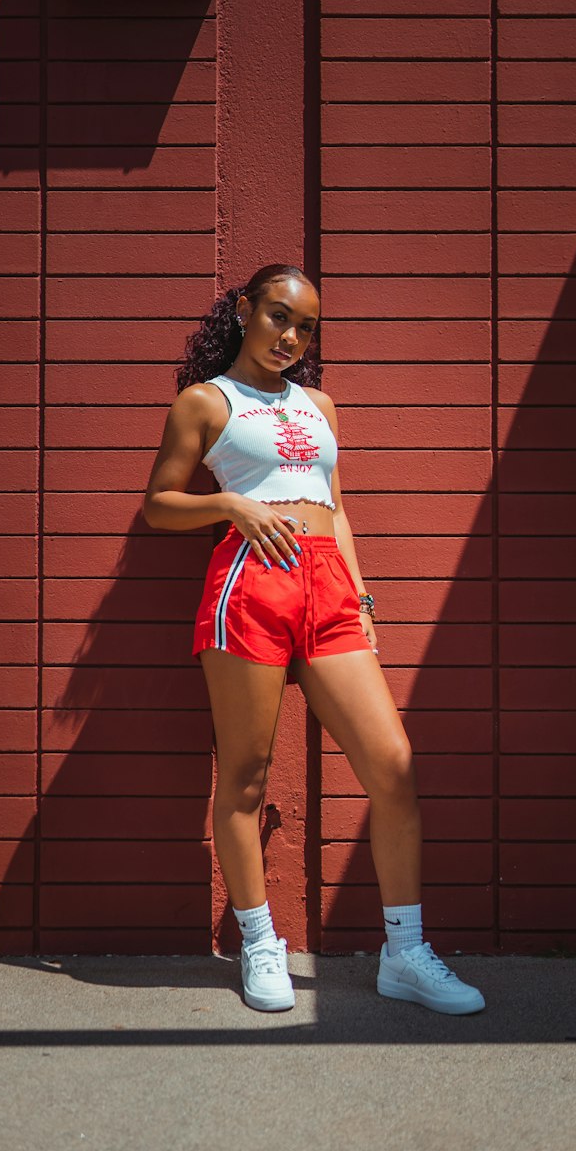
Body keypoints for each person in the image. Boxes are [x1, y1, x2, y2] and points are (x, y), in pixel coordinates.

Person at [143, 264, 485, 1016]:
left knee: (392, 766)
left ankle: (405, 954)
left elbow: (338, 506)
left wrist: (360, 597)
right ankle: (259, 941)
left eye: (305, 327)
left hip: (328, 586)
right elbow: (159, 506)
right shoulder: (206, 402)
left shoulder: (320, 405)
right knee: (247, 775)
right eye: (277, 317)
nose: (290, 336)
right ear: (243, 311)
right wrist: (229, 504)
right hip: (250, 585)